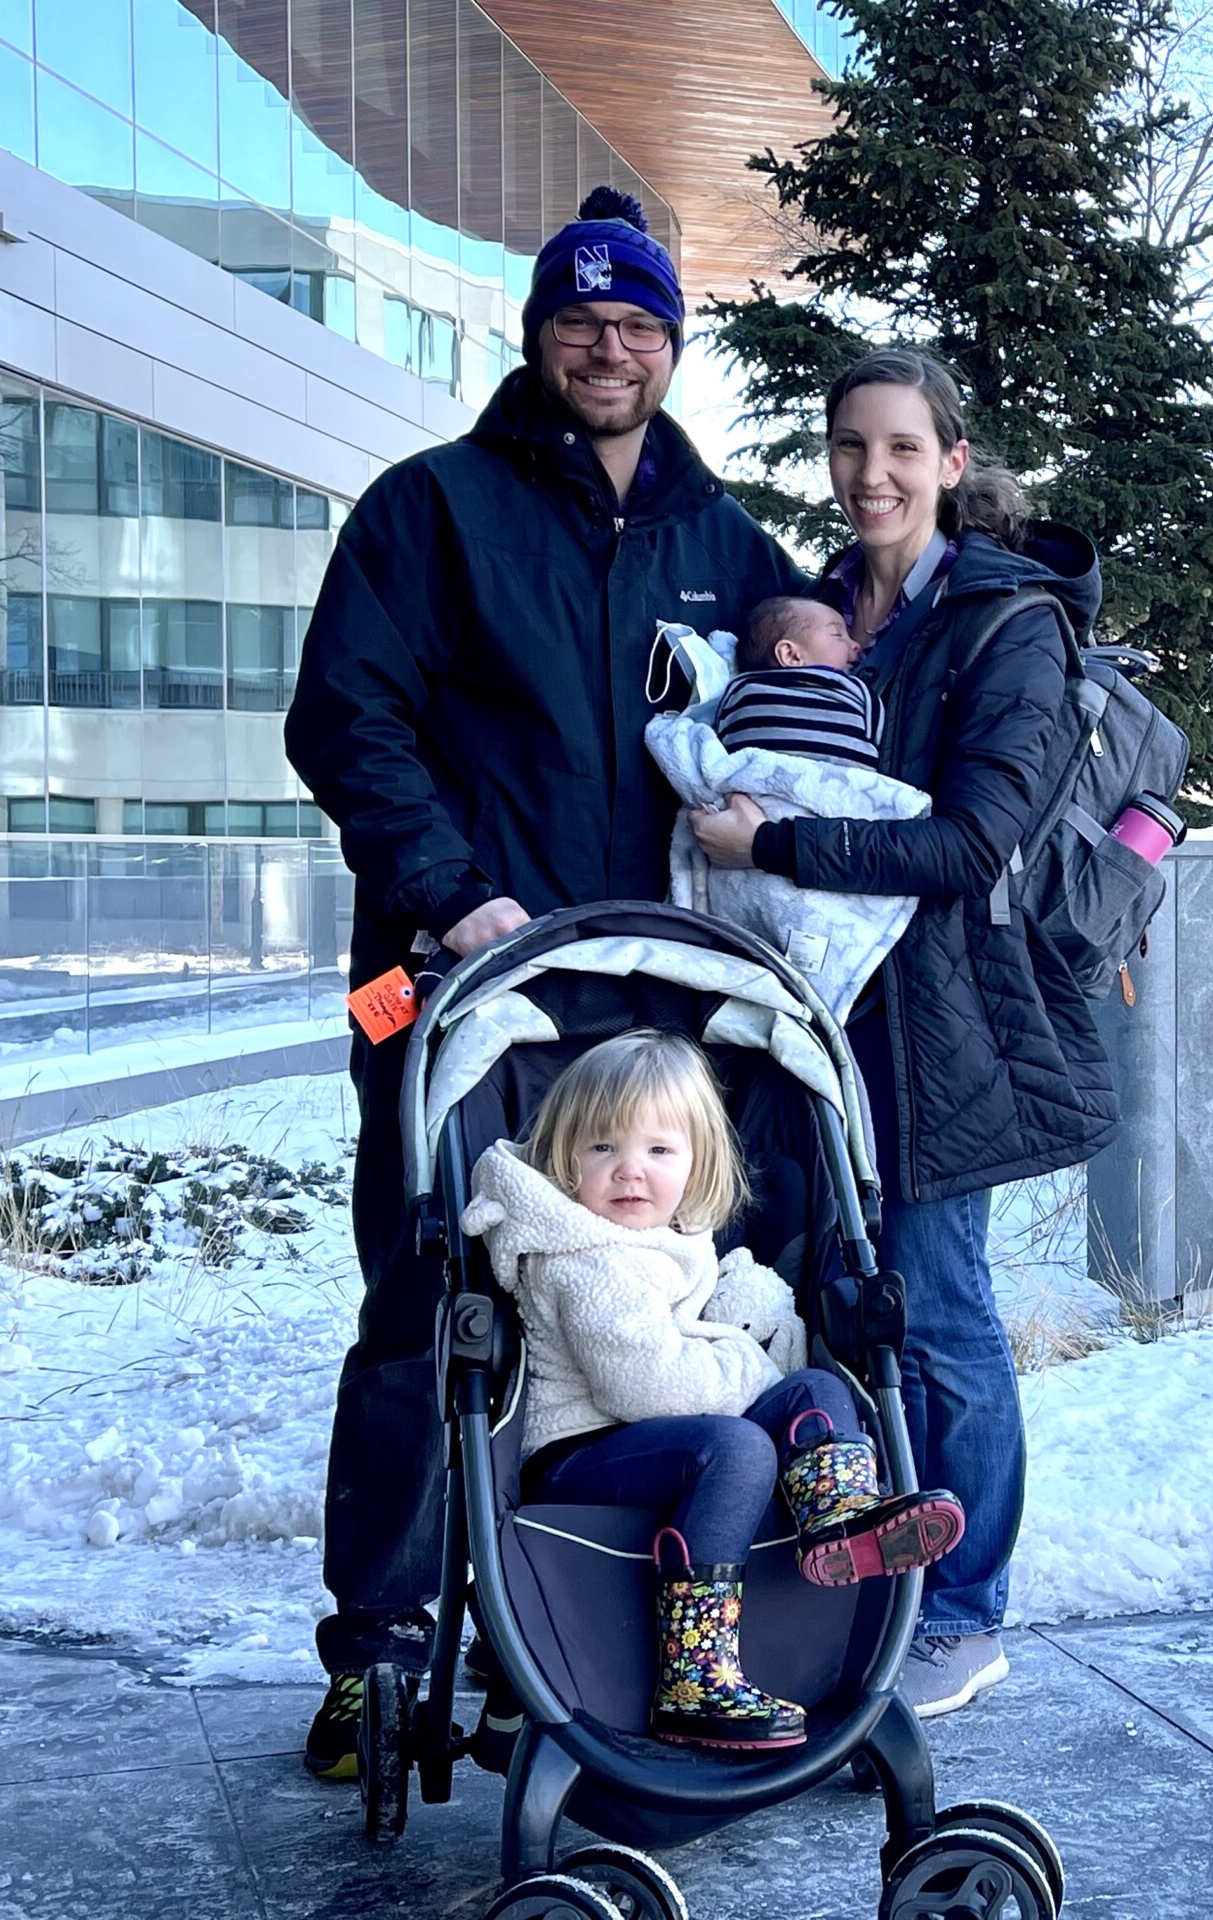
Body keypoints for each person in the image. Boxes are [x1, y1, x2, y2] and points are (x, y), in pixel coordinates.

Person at [284, 186, 806, 1779]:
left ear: (671, 345)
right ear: (537, 337)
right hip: (447, 989)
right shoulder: (429, 509)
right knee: (428, 1314)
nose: (609, 346)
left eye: (639, 324)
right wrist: (451, 898)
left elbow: (831, 696)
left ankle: (591, 1637)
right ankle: (379, 1653)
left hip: (646, 1022)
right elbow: (343, 721)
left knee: (651, 1310)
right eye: (581, 321)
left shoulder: (726, 543)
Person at [691, 349, 1118, 1721]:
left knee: (938, 1308)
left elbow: (976, 835)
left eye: (900, 449)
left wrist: (782, 841)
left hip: (944, 1026)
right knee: (825, 1305)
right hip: (808, 1018)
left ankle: (970, 1608)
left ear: (950, 459)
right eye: (848, 447)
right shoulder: (815, 615)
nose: (872, 475)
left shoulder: (1009, 620)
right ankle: (866, 1581)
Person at [462, 1030, 964, 1750]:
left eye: (659, 1152)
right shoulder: (582, 1259)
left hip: (659, 1435)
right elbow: (649, 1386)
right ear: (565, 1161)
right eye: (603, 1148)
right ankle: (695, 1677)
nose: (630, 1171)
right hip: (581, 1453)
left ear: (696, 1167)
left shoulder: (660, 1241)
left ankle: (840, 1520)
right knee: (737, 1447)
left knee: (815, 1389)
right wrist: (747, 1366)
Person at [712, 596, 882, 770]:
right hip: (846, 789)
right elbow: (882, 740)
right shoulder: (853, 689)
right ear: (791, 655)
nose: (855, 644)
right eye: (838, 634)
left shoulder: (737, 690)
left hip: (755, 786)